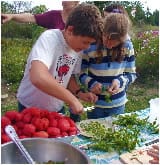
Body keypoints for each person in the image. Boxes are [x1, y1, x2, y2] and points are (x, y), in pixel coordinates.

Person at [16, 4, 103, 116]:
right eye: (85, 42)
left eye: (90, 43)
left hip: (56, 108)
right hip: (29, 106)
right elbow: (38, 77)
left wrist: (79, 93)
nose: (87, 47)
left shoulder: (78, 49)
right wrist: (72, 99)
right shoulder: (50, 38)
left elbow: (69, 76)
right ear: (70, 30)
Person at [79, 12, 137, 119]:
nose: (108, 44)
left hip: (117, 104)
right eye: (105, 38)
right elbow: (80, 73)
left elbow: (132, 74)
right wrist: (91, 83)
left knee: (114, 132)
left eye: (114, 42)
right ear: (102, 31)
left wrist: (120, 81)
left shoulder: (127, 46)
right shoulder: (90, 45)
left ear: (121, 40)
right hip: (95, 103)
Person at [1, 1, 79, 30]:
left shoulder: (82, 20)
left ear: (76, 2)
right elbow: (31, 17)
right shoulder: (53, 15)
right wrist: (11, 16)